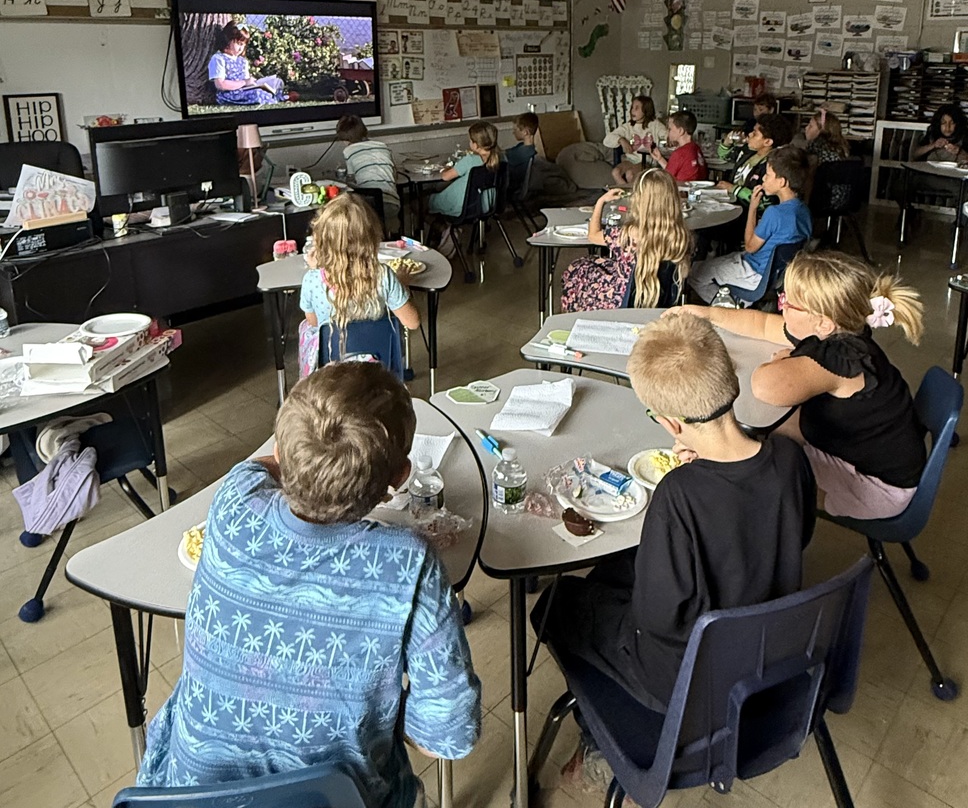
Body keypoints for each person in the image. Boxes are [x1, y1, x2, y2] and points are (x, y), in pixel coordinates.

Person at [135, 361, 482, 805]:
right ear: (398, 479)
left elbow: (259, 466)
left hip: (193, 795)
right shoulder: (410, 564)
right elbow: (448, 736)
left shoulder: (235, 498)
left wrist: (316, 427)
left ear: (281, 451)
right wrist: (382, 712)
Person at [532, 313, 814, 732]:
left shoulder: (678, 495)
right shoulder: (790, 459)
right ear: (731, 383)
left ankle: (595, 732)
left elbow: (656, 617)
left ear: (670, 423)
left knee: (557, 602)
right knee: (613, 575)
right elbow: (801, 532)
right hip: (764, 645)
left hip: (684, 676)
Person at [676, 250, 926, 520]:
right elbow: (761, 325)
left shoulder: (838, 358)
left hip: (876, 490)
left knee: (750, 467)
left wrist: (783, 358)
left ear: (823, 323)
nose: (780, 306)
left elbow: (764, 386)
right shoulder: (844, 330)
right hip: (873, 458)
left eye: (788, 303)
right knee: (758, 431)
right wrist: (708, 314)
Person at [299, 193, 420, 377]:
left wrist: (319, 268)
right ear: (371, 236)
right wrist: (402, 284)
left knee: (305, 328)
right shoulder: (383, 276)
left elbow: (314, 323)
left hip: (331, 374)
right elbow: (412, 323)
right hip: (379, 370)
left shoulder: (312, 280)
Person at [689, 146, 812, 306]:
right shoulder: (805, 211)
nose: (763, 179)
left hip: (754, 273)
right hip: (780, 275)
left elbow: (750, 246)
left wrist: (753, 208)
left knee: (693, 273)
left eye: (768, 175)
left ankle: (729, 309)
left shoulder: (774, 213)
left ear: (782, 182)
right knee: (713, 263)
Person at [560, 168, 691, 312]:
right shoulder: (680, 236)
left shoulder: (628, 234)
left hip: (619, 299)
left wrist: (601, 202)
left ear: (639, 200)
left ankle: (571, 317)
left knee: (578, 269)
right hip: (656, 299)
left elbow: (593, 235)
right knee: (595, 264)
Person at [336, 114, 401, 236]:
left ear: (344, 138)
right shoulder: (383, 146)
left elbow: (351, 180)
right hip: (393, 202)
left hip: (369, 204)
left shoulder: (349, 151)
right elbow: (394, 175)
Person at [714, 113, 793, 206]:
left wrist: (734, 189)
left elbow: (764, 201)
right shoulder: (747, 151)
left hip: (747, 212)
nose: (750, 134)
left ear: (767, 142)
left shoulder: (770, 167)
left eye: (755, 134)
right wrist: (727, 141)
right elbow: (723, 156)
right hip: (730, 203)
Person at [428, 121, 500, 219]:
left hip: (465, 205)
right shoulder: (501, 158)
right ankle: (448, 230)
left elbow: (445, 177)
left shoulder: (470, 160)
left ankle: (443, 229)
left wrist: (445, 169)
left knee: (419, 203)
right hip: (489, 203)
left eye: (470, 141)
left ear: (475, 145)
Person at [208, 23, 284, 106]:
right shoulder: (219, 58)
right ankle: (274, 99)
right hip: (229, 94)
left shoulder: (242, 61)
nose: (241, 48)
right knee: (256, 94)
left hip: (244, 90)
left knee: (275, 84)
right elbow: (220, 84)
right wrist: (244, 82)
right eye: (238, 43)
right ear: (228, 41)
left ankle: (277, 98)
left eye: (243, 45)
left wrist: (254, 82)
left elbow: (247, 79)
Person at [604, 96, 668, 187]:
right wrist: (621, 140)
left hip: (646, 161)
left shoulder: (655, 125)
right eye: (632, 108)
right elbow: (607, 140)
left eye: (637, 108)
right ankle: (627, 193)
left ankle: (633, 196)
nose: (632, 111)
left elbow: (667, 135)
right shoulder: (627, 127)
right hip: (630, 160)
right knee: (615, 172)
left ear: (646, 110)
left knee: (630, 174)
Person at [651, 110, 708, 183]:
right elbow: (672, 171)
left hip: (681, 190)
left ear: (680, 131)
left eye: (670, 129)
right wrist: (660, 159)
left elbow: (667, 177)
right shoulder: (695, 148)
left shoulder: (679, 153)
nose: (668, 132)